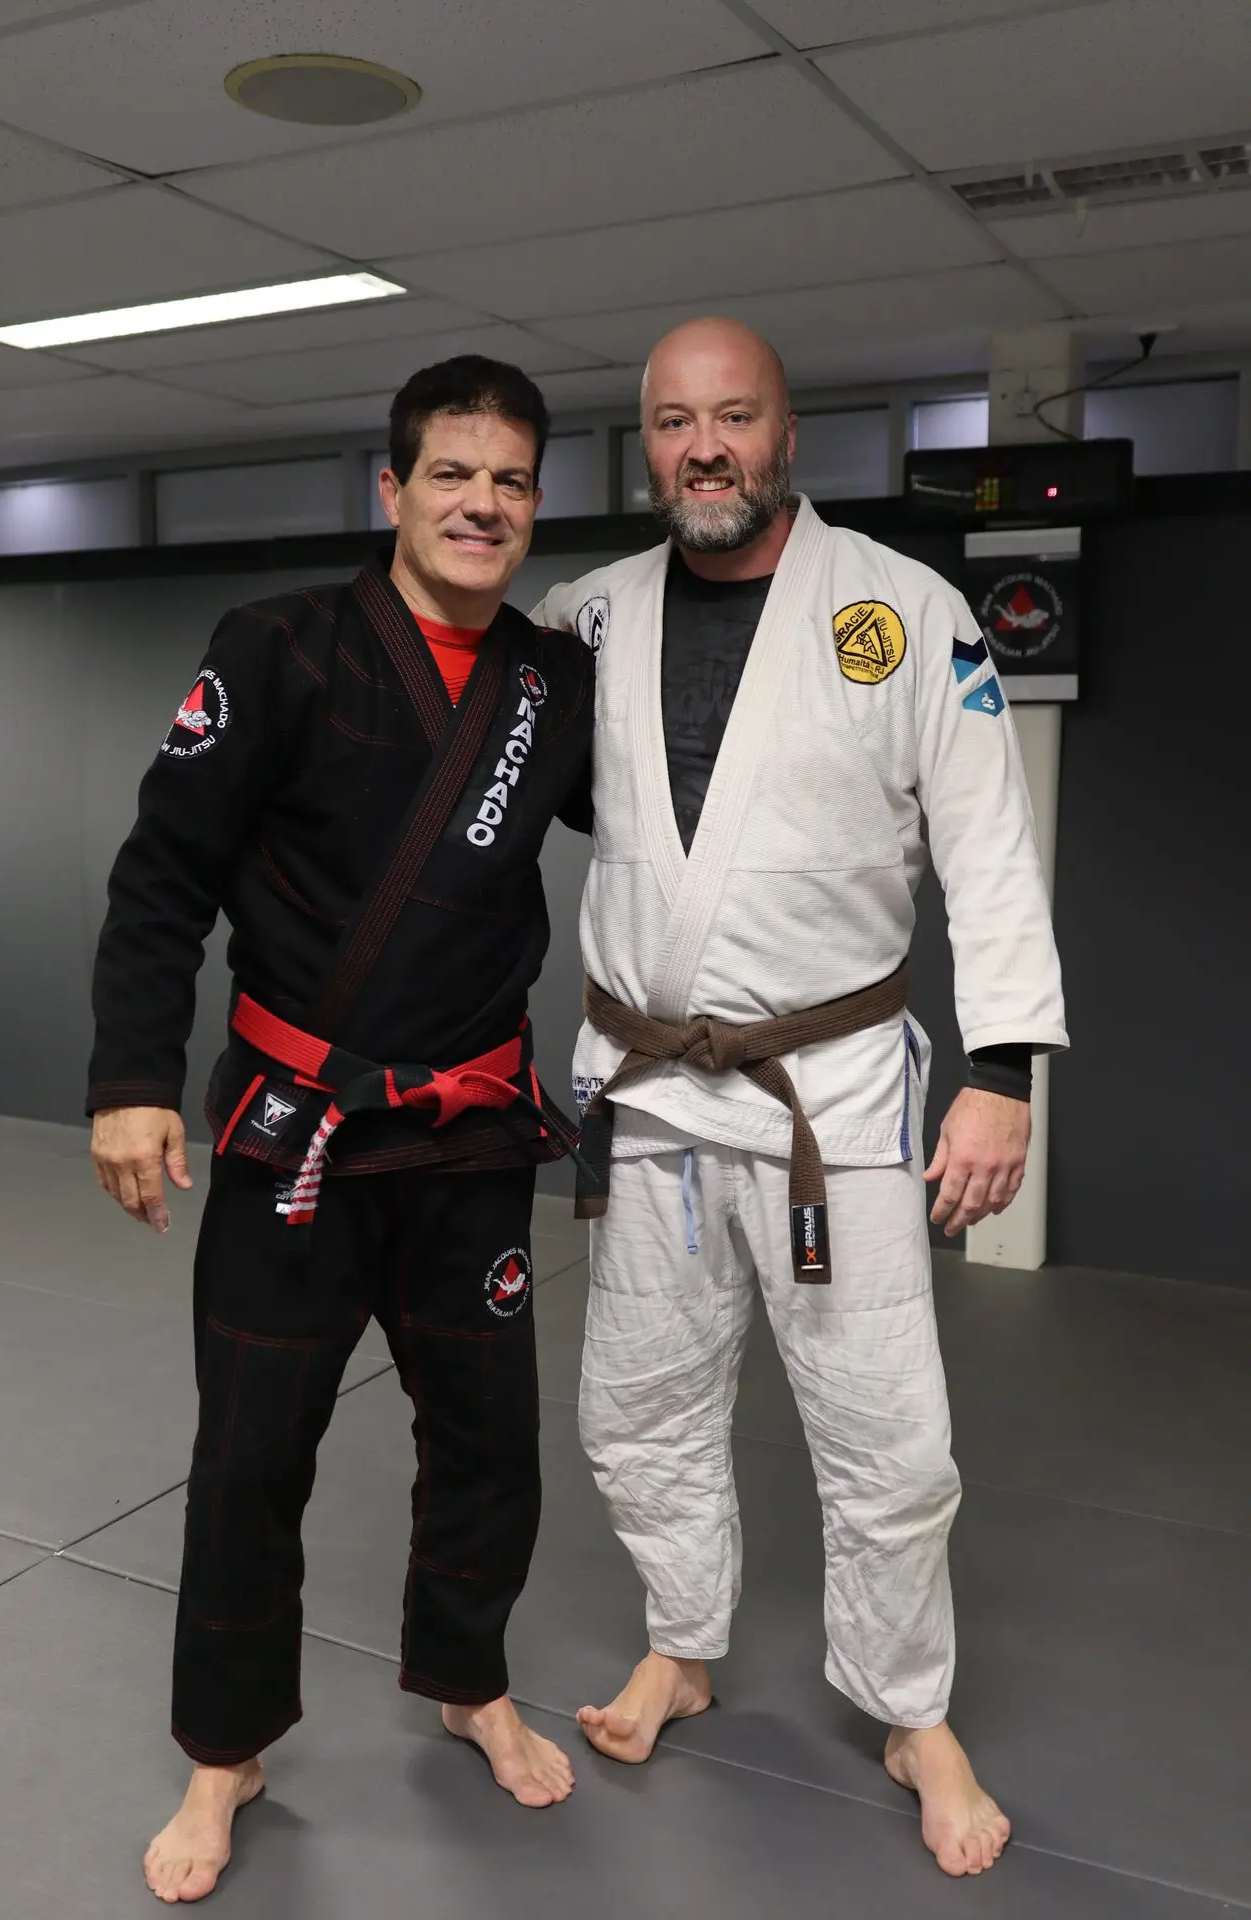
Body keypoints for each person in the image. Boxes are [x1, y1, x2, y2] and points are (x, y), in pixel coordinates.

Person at [532, 317, 1067, 1879]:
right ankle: (684, 1640)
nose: (705, 447)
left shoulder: (903, 613)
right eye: (675, 422)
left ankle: (911, 1710)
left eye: (736, 417)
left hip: (832, 1098)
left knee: (889, 1439)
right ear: (646, 444)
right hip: (649, 1094)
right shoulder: (587, 619)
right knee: (636, 1414)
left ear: (789, 433)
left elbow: (987, 848)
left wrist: (1005, 1074)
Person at [88, 355, 594, 1905]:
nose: (482, 504)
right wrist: (128, 1080)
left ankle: (465, 1674)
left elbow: (669, 848)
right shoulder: (280, 648)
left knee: (490, 1440)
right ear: (393, 489)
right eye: (454, 474)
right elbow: (162, 875)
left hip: (468, 1136)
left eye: (511, 480)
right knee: (251, 1457)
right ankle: (227, 1751)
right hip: (290, 1130)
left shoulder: (548, 684)